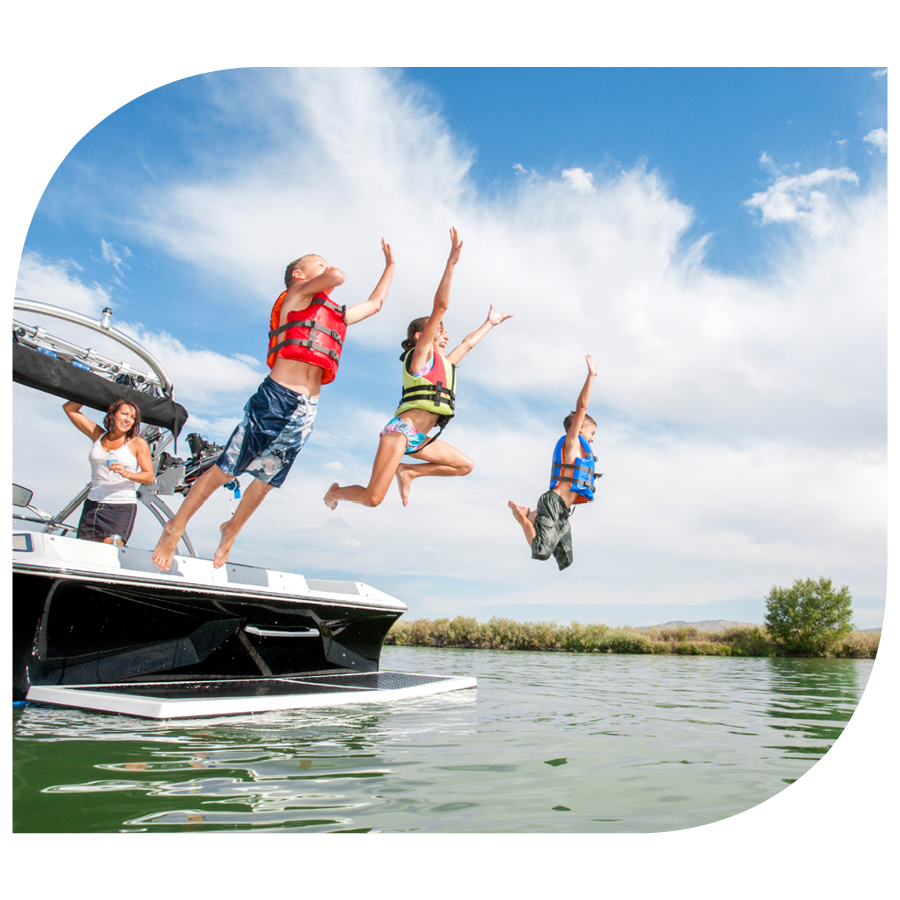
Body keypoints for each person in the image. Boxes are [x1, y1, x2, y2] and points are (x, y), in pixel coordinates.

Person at [151, 239, 395, 571]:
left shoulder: (335, 314)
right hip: (276, 399)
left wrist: (390, 266)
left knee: (267, 480)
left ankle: (231, 529)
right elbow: (337, 276)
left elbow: (376, 304)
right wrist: (328, 272)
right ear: (299, 274)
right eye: (318, 264)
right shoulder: (295, 298)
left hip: (307, 409)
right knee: (227, 468)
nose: (326, 268)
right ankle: (174, 526)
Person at [324, 227, 511, 510]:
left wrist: (490, 323)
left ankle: (408, 471)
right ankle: (335, 493)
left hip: (420, 439)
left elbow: (468, 343)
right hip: (401, 432)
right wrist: (450, 264)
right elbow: (441, 305)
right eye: (440, 332)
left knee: (464, 465)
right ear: (420, 337)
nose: (445, 336)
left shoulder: (445, 363)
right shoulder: (420, 357)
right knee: (373, 498)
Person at [508, 354, 599, 570]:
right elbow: (582, 408)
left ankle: (533, 515)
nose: (593, 439)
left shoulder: (580, 450)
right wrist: (591, 376)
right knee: (541, 552)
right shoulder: (572, 441)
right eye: (592, 432)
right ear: (580, 428)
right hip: (553, 503)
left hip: (561, 510)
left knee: (566, 559)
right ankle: (522, 517)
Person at [63, 398, 154, 546]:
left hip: (121, 506)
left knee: (109, 552)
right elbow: (69, 408)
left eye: (133, 417)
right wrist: (95, 387)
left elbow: (149, 476)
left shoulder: (137, 443)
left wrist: (126, 473)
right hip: (93, 504)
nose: (128, 419)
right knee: (86, 551)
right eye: (124, 414)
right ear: (112, 415)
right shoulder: (97, 435)